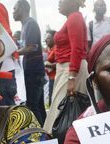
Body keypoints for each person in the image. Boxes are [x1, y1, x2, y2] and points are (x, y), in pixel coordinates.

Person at [43, 0, 88, 133]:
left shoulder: (74, 17)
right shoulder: (72, 18)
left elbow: (77, 49)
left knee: (60, 110)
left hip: (72, 69)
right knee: (61, 110)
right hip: (68, 68)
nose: (59, 3)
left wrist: (71, 77)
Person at [13, 0, 46, 125]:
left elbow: (31, 47)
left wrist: (14, 52)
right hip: (31, 71)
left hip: (34, 72)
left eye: (15, 9)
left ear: (21, 9)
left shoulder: (30, 24)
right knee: (38, 105)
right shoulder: (25, 25)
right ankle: (45, 134)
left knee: (33, 105)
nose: (13, 12)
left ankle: (39, 136)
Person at [44, 30, 57, 106]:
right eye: (46, 38)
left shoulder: (56, 49)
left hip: (55, 78)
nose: (46, 40)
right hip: (50, 78)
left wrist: (46, 65)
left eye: (48, 38)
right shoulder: (48, 50)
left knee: (53, 102)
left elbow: (59, 64)